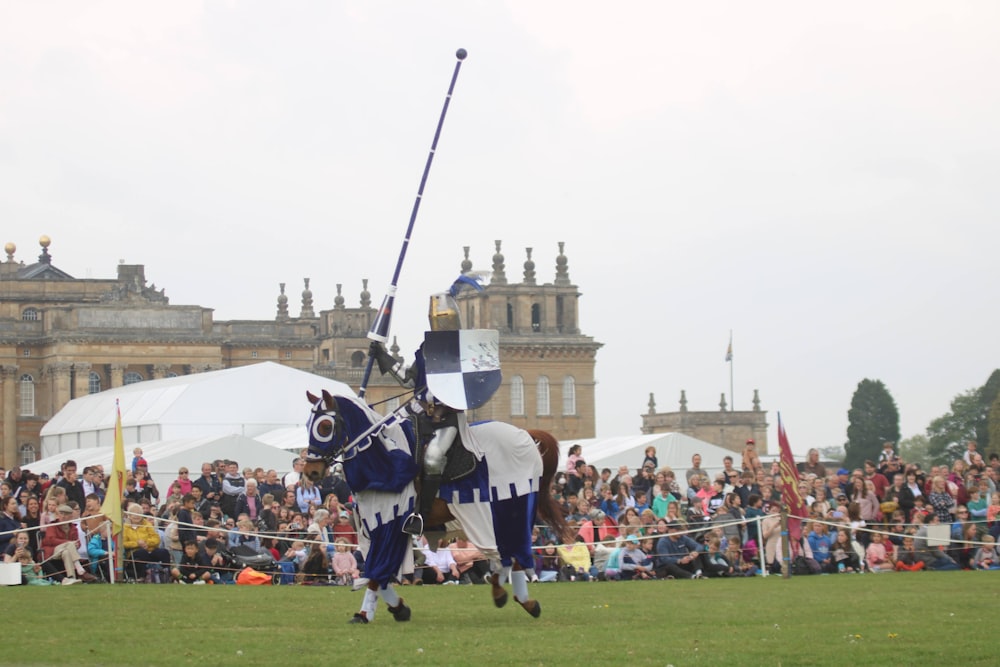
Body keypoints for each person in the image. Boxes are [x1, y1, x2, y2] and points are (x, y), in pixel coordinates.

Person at [41, 505, 96, 583]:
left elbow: (78, 542)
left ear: (71, 516)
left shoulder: (74, 528)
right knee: (69, 544)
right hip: (52, 551)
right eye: (61, 514)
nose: (63, 516)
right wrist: (68, 543)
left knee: (66, 552)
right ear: (58, 515)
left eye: (66, 514)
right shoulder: (52, 526)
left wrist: (77, 545)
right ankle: (80, 569)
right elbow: (51, 540)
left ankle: (71, 578)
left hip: (66, 552)